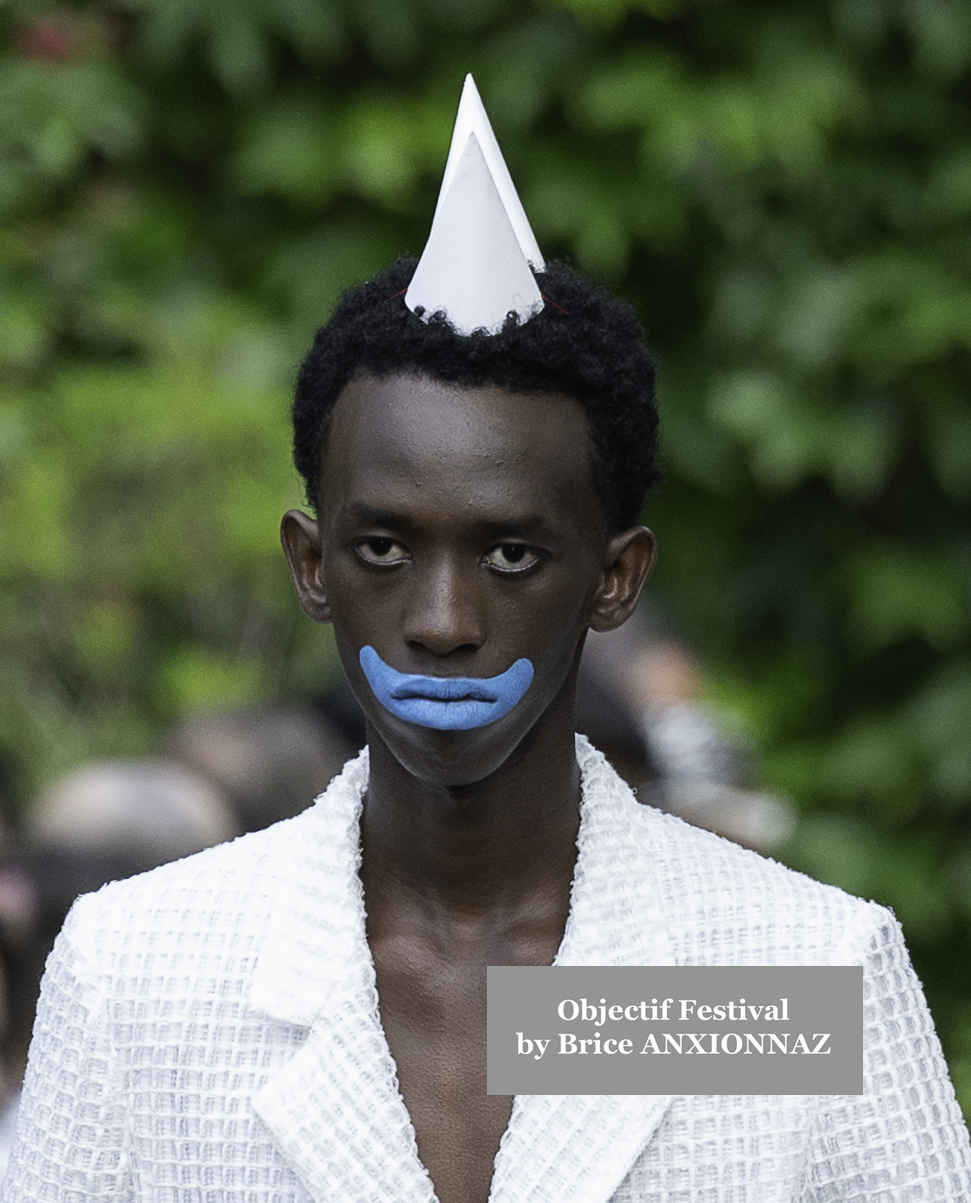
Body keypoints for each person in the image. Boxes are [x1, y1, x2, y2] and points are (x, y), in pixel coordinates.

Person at [3, 77, 970, 1203]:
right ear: (310, 568)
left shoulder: (792, 974)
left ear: (615, 580)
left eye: (510, 555)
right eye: (381, 550)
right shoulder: (141, 973)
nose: (441, 622)